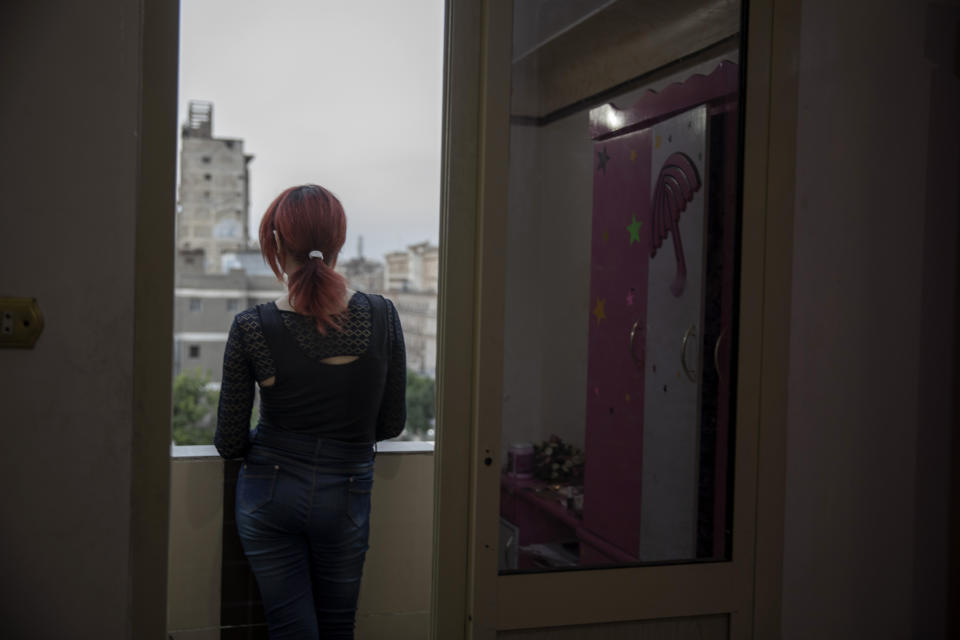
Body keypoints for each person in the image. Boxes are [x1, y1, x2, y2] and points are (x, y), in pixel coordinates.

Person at [214, 184, 406, 639]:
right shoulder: (382, 316)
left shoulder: (251, 327)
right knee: (338, 628)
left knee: (290, 629)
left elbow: (229, 442)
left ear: (278, 244)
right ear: (338, 243)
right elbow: (391, 423)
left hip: (269, 493)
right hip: (348, 491)